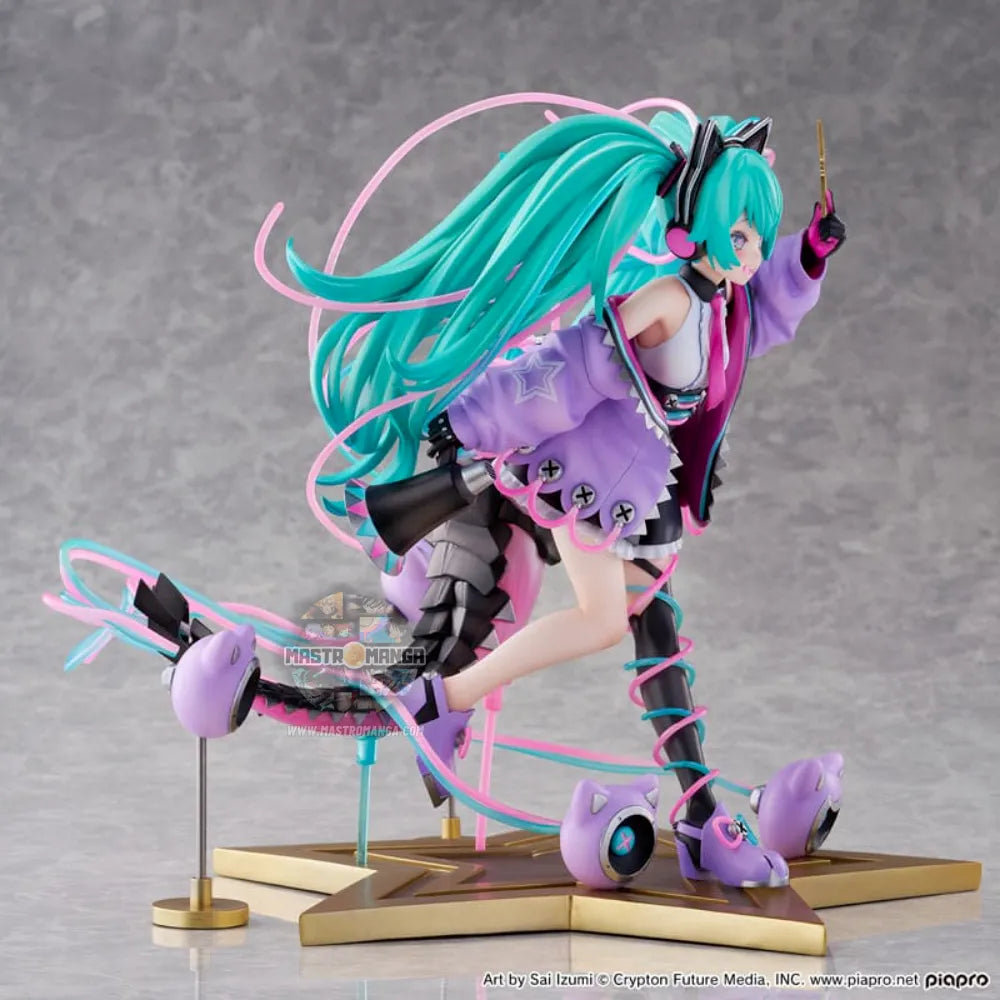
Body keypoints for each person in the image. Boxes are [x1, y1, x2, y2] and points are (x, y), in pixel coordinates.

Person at [281, 107, 846, 887]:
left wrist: (808, 257)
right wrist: (471, 421)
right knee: (606, 619)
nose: (750, 254)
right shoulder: (668, 300)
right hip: (586, 474)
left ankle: (697, 812)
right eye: (741, 235)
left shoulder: (722, 305)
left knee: (656, 627)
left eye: (758, 237)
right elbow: (571, 361)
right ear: (699, 228)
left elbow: (766, 315)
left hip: (640, 482)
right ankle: (442, 700)